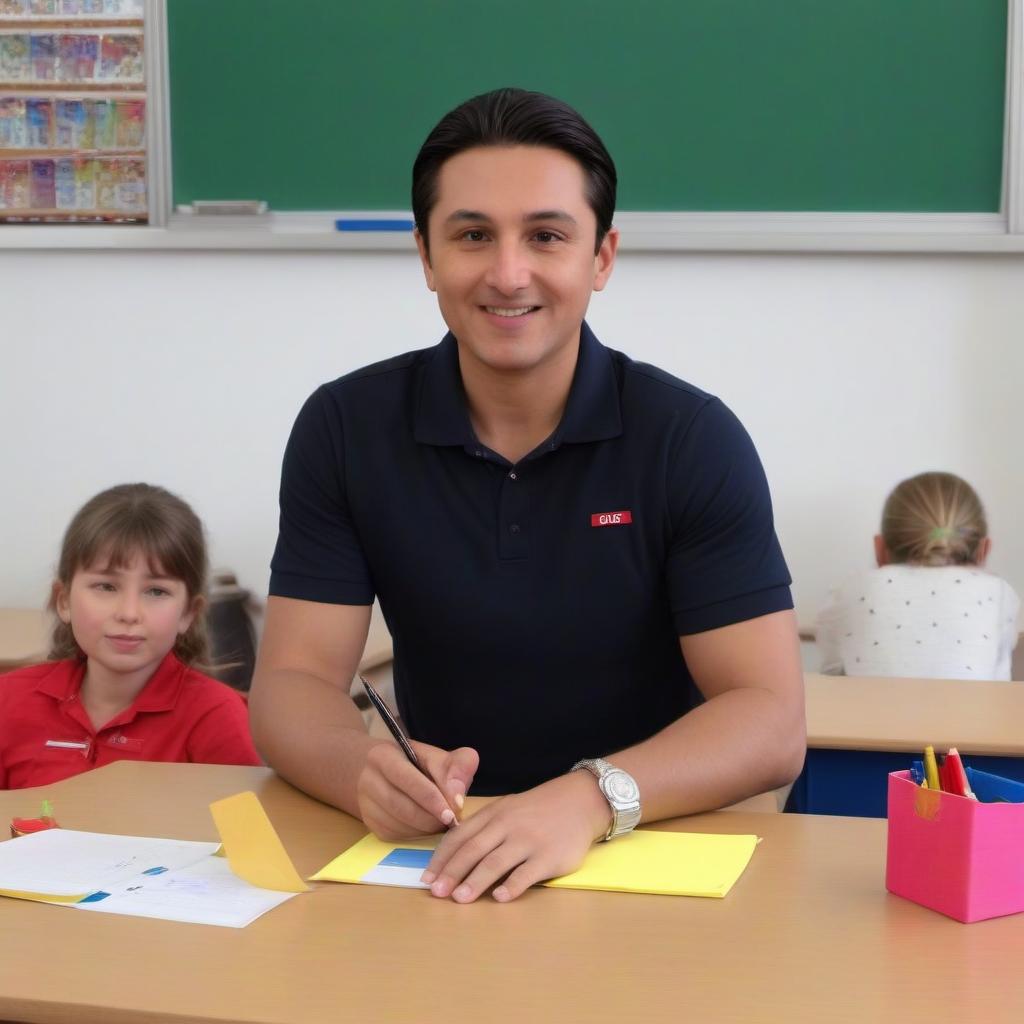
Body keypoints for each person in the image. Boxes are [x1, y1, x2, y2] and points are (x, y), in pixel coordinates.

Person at [250, 87, 805, 903]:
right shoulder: (345, 425)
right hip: (449, 848)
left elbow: (768, 718)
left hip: (653, 835)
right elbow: (291, 682)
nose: (509, 274)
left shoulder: (690, 437)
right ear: (427, 257)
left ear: (601, 257)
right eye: (473, 236)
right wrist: (359, 769)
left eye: (546, 236)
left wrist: (589, 800)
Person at [0, 483, 262, 789]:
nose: (129, 612)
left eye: (156, 591)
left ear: (189, 612)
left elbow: (251, 833)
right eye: (106, 586)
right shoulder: (8, 699)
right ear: (64, 600)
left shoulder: (218, 717)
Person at [816, 471, 1020, 680]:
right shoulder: (1000, 594)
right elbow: (998, 674)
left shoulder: (848, 591)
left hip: (869, 712)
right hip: (972, 713)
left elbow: (831, 674)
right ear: (984, 550)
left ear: (880, 549)